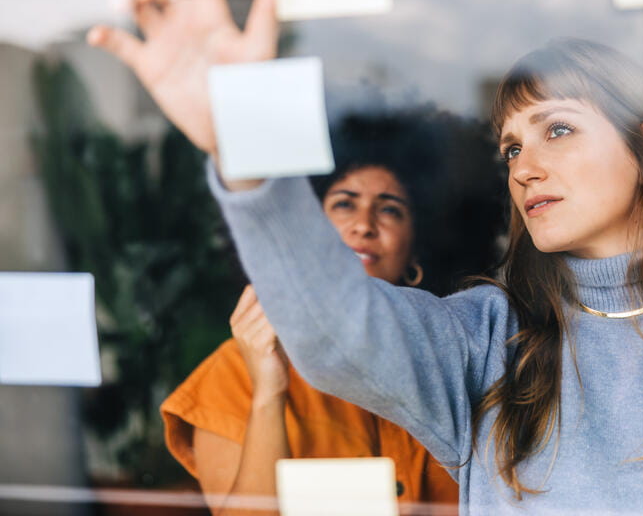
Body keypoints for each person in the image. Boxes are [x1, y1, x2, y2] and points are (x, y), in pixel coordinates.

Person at [89, 0, 643, 513]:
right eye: (511, 147)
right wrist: (246, 152)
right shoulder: (485, 340)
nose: (526, 165)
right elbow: (334, 331)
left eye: (559, 129)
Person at [159, 107, 505, 516]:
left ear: (417, 253)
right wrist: (269, 393)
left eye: (390, 209)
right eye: (344, 204)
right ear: (306, 235)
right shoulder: (233, 375)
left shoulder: (462, 361)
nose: (364, 224)